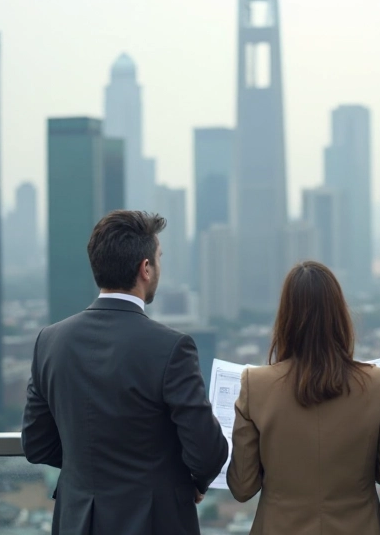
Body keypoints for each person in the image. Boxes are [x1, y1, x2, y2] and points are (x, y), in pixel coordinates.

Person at [22, 210, 228, 535]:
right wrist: (192, 480)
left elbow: (36, 444)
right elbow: (207, 452)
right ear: (145, 268)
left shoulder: (50, 341)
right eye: (158, 258)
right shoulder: (172, 348)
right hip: (154, 521)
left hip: (78, 520)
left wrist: (92, 468)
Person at [227, 261, 380, 535]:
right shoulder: (377, 384)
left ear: (285, 318)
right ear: (339, 315)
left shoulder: (256, 385)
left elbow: (242, 487)